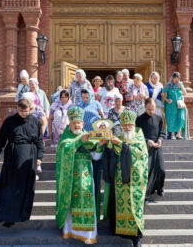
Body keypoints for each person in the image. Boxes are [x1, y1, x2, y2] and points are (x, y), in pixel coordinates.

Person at [0, 99, 44, 228]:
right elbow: (1, 138)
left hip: (29, 156)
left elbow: (39, 140)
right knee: (10, 186)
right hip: (12, 156)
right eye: (21, 111)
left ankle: (23, 214)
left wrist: (39, 157)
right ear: (17, 108)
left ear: (30, 109)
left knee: (26, 187)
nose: (24, 114)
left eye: (26, 111)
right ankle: (8, 217)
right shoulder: (10, 121)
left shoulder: (35, 121)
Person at [55, 106, 104, 244]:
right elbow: (64, 151)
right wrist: (79, 141)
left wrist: (100, 145)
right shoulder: (66, 138)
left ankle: (88, 234)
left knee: (88, 201)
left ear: (83, 124)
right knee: (71, 202)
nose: (76, 125)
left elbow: (96, 157)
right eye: (73, 123)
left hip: (87, 174)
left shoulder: (90, 136)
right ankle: (70, 230)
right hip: (71, 176)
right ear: (69, 124)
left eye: (79, 122)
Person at [102, 109, 148, 247]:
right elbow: (113, 155)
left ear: (134, 125)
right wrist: (109, 145)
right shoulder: (119, 137)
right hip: (119, 180)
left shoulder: (139, 138)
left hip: (134, 182)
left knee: (134, 207)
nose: (127, 128)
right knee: (118, 204)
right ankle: (120, 231)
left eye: (130, 125)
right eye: (125, 125)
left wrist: (121, 145)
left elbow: (141, 156)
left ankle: (136, 237)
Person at [136, 98, 166, 204]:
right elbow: (137, 136)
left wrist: (160, 140)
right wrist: (147, 141)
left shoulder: (158, 118)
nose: (151, 111)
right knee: (147, 172)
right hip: (145, 148)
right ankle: (146, 195)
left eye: (153, 109)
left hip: (157, 147)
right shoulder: (139, 119)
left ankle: (160, 188)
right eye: (149, 109)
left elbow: (162, 133)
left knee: (161, 169)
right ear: (145, 107)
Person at [162, 72, 189, 140]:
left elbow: (185, 93)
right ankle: (172, 135)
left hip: (179, 105)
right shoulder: (168, 85)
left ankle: (178, 134)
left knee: (181, 118)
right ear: (173, 78)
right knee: (172, 119)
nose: (177, 80)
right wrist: (166, 99)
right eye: (176, 79)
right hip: (171, 105)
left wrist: (181, 86)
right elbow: (162, 94)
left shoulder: (180, 84)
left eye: (178, 79)